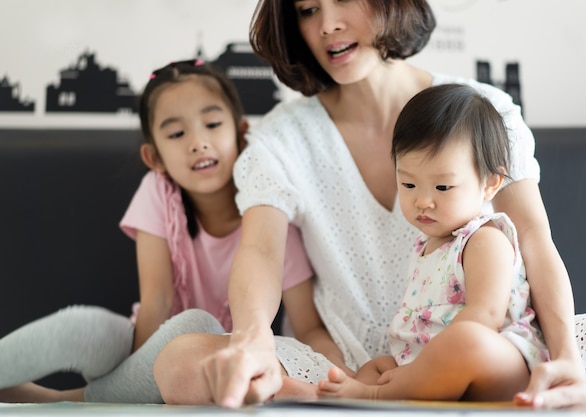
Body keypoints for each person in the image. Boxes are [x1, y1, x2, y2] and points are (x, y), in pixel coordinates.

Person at [153, 0, 586, 409]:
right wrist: (252, 338)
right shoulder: (281, 138)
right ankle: (337, 396)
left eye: (344, 1)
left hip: (490, 349)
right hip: (351, 367)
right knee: (179, 361)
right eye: (308, 10)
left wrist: (565, 358)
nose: (327, 25)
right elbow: (259, 250)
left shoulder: (483, 111)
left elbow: (534, 240)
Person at [0, 59, 336, 403]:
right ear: (155, 157)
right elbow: (156, 303)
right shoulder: (158, 192)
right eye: (177, 133)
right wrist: (135, 377)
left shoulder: (270, 215)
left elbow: (307, 325)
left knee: (196, 325)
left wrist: (343, 374)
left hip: (208, 361)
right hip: (143, 346)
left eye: (213, 124)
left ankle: (65, 401)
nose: (198, 142)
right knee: (86, 327)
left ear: (240, 134)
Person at [317, 83, 550, 401]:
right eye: (409, 183)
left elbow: (486, 316)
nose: (422, 201)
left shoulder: (484, 240)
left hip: (499, 363)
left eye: (442, 187)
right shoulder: (426, 246)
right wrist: (411, 365)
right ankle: (355, 390)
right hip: (433, 363)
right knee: (377, 365)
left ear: (489, 184)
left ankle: (373, 397)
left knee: (466, 338)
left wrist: (422, 365)